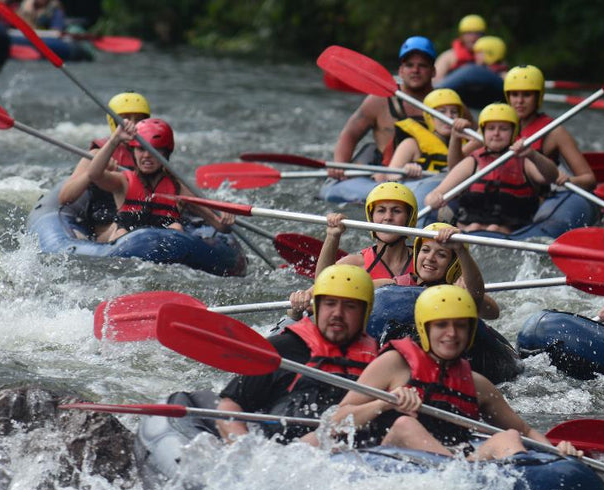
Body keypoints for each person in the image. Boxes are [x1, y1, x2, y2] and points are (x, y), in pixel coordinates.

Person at [321, 285, 579, 460]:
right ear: (425, 329)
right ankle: (463, 471)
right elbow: (335, 422)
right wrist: (385, 403)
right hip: (388, 458)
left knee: (508, 436)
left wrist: (557, 452)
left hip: (454, 464)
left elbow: (524, 430)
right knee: (405, 425)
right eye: (441, 325)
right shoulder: (393, 364)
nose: (452, 334)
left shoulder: (477, 384)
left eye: (460, 326)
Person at [216, 265, 379, 443]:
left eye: (350, 306)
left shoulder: (380, 362)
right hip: (282, 451)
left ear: (365, 312)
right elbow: (229, 406)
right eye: (330, 304)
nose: (337, 314)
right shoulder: (282, 349)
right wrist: (245, 452)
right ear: (317, 307)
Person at [85, 118, 235, 242]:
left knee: (176, 228)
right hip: (126, 243)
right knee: (120, 233)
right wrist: (114, 140)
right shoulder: (123, 182)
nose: (147, 156)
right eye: (141, 149)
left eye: (154, 150)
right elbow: (94, 175)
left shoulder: (178, 188)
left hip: (165, 247)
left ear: (165, 154)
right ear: (133, 152)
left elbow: (220, 226)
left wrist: (226, 218)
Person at [424, 103, 558, 234]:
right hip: (469, 231)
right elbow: (436, 194)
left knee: (494, 228)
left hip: (512, 234)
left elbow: (550, 177)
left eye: (503, 129)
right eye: (491, 128)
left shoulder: (525, 159)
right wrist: (433, 198)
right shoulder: (472, 162)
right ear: (483, 132)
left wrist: (533, 154)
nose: (496, 133)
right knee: (475, 226)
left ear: (513, 132)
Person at [328, 36, 437, 179]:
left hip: (430, 175)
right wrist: (339, 165)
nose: (415, 70)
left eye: (422, 65)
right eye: (409, 65)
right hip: (385, 175)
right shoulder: (379, 100)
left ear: (433, 71)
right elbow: (350, 134)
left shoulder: (447, 103)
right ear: (401, 71)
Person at [58, 91, 151, 241]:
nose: (132, 124)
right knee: (124, 227)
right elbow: (65, 197)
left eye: (139, 119)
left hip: (144, 224)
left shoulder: (150, 157)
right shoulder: (96, 155)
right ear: (113, 121)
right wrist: (96, 171)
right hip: (107, 229)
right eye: (125, 119)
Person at [503, 64, 596, 191]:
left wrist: (568, 181)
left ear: (538, 97)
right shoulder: (498, 128)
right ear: (508, 97)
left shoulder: (554, 132)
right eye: (514, 94)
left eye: (527, 95)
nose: (519, 101)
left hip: (542, 198)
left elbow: (589, 179)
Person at [387, 222, 499, 319]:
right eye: (425, 250)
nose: (430, 258)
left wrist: (461, 250)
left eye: (441, 255)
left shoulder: (460, 293)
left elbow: (493, 312)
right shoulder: (395, 285)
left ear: (453, 264)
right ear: (417, 253)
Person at [315, 182, 417, 282]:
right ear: (371, 218)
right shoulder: (355, 265)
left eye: (396, 211)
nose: (388, 217)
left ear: (409, 219)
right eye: (381, 211)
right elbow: (322, 284)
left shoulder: (423, 263)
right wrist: (332, 236)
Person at [378, 88, 466, 181]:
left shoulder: (468, 144)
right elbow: (391, 175)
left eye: (454, 112)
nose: (449, 117)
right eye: (442, 112)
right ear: (429, 117)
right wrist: (405, 172)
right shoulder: (411, 144)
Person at [434, 14, 486, 80]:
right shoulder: (449, 57)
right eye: (468, 33)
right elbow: (435, 81)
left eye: (478, 33)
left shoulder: (490, 57)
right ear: (461, 36)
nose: (473, 37)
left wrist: (483, 65)